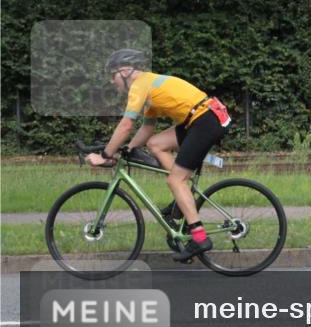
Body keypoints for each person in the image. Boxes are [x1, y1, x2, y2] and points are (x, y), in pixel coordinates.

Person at [86, 49, 231, 260]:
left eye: (113, 74)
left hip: (205, 120)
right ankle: (181, 201)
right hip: (202, 117)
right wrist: (125, 152)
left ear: (126, 71)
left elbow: (126, 125)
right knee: (156, 144)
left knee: (175, 181)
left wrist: (106, 155)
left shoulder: (139, 87)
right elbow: (147, 131)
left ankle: (200, 238)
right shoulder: (149, 85)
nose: (112, 81)